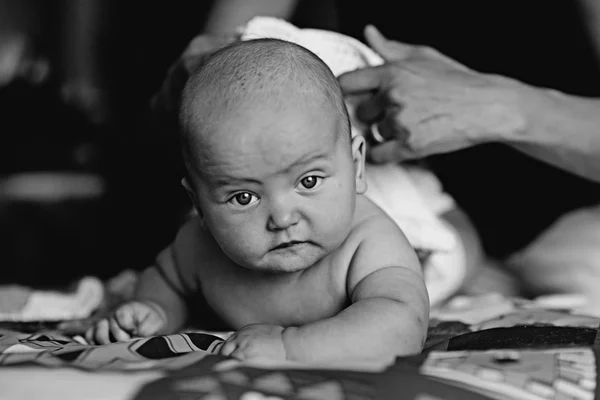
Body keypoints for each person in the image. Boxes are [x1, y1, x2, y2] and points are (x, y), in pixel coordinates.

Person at [151, 0, 600, 309]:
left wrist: (499, 108)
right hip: (370, 208)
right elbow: (201, 96)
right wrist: (200, 80)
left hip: (563, 212)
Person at [86, 38, 430, 363]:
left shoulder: (368, 243)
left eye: (308, 181)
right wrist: (155, 310)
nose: (281, 217)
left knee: (449, 250)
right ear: (199, 203)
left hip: (420, 247)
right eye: (244, 197)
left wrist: (290, 348)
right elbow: (166, 280)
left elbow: (402, 326)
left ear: (355, 167)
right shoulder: (198, 247)